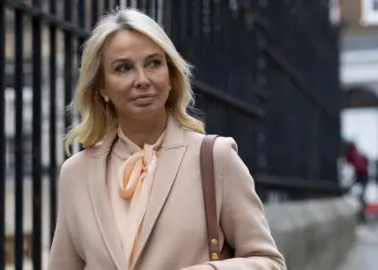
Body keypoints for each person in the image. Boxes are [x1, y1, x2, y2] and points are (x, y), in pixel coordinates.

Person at [49, 7, 286, 270]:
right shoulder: (77, 174)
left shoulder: (215, 158)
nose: (142, 80)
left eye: (153, 63)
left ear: (171, 76)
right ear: (102, 87)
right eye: (123, 68)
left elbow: (270, 263)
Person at [345, 142, 369, 221]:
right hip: (362, 175)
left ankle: (362, 210)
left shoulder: (352, 153)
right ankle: (362, 208)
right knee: (361, 194)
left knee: (357, 193)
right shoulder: (357, 153)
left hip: (361, 175)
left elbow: (348, 161)